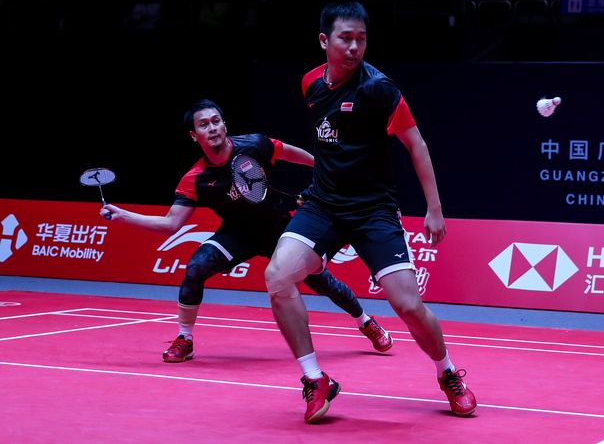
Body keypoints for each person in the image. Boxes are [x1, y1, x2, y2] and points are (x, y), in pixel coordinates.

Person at [264, 2, 477, 423]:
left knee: (409, 305)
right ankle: (314, 379)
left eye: (361, 39)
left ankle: (448, 373)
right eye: (346, 38)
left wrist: (434, 209)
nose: (354, 47)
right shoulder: (311, 84)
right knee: (277, 276)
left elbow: (417, 145)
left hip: (373, 210)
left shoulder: (379, 89)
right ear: (325, 41)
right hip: (323, 205)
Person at [100, 98, 393, 363]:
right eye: (204, 125)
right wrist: (123, 216)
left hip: (281, 229)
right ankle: (185, 338)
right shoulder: (195, 179)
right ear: (194, 135)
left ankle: (364, 321)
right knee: (196, 268)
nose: (212, 128)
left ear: (224, 124)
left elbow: (290, 153)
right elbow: (170, 224)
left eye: (216, 121)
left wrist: (325, 170)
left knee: (322, 282)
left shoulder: (254, 145)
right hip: (238, 233)